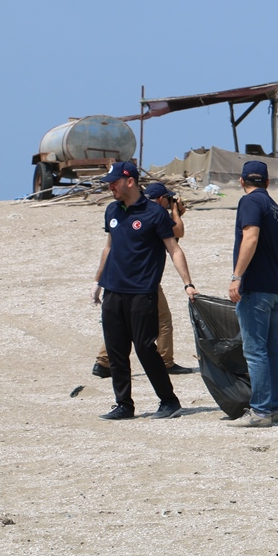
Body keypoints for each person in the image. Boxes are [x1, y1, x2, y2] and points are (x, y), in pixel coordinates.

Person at [91, 162, 199, 421]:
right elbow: (109, 248)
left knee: (144, 348)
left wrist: (188, 283)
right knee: (116, 351)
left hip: (142, 292)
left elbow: (174, 249)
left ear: (130, 181)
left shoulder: (155, 213)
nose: (110, 186)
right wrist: (97, 282)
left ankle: (169, 401)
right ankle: (123, 405)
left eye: (114, 181)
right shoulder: (112, 210)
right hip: (113, 291)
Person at [92, 182, 190, 378]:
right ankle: (165, 361)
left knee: (120, 324)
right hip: (144, 280)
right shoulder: (155, 213)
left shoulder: (133, 211)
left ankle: (104, 360)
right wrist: (176, 212)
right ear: (162, 199)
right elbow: (178, 232)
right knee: (162, 321)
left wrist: (98, 281)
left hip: (125, 279)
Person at [228, 160, 278, 428]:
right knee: (271, 348)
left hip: (257, 287)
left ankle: (261, 411)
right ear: (267, 181)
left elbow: (250, 238)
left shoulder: (250, 203)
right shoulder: (274, 207)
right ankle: (276, 407)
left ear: (242, 181)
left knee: (255, 351)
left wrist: (237, 276)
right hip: (276, 287)